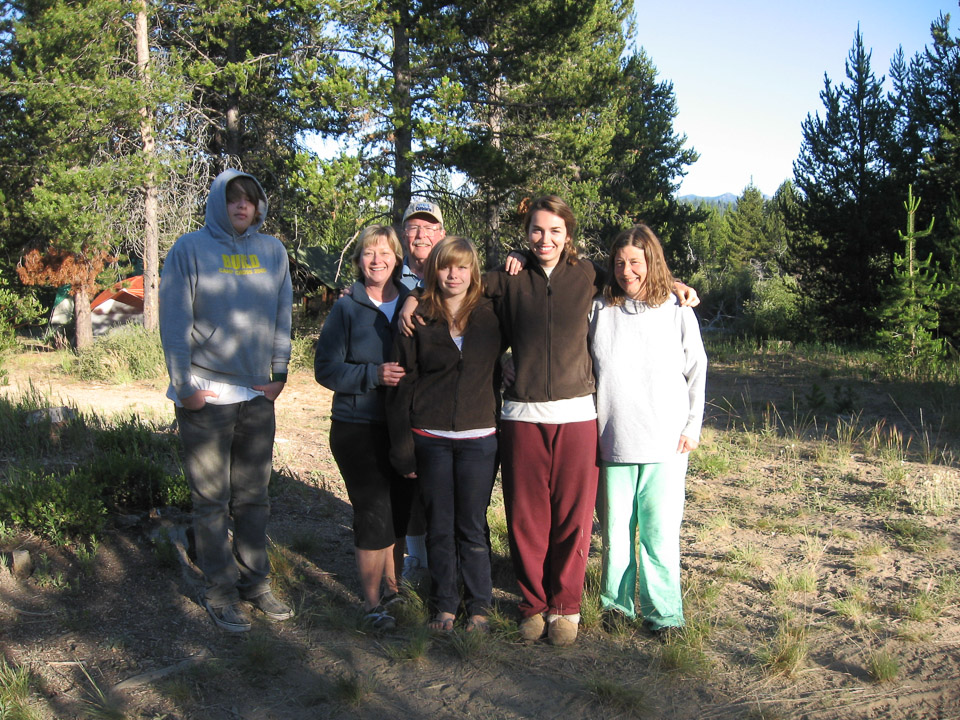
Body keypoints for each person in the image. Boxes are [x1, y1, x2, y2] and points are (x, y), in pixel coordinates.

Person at [159, 169, 294, 633]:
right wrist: (185, 386)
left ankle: (255, 582)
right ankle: (220, 590)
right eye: (233, 199)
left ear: (259, 207)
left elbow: (282, 314)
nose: (242, 206)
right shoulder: (189, 249)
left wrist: (279, 373)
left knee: (254, 497)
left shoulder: (272, 251)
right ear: (219, 202)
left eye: (250, 200)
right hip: (207, 393)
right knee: (211, 500)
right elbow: (173, 323)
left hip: (257, 393)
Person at [588, 224, 707, 640]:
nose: (627, 271)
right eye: (619, 263)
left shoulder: (677, 309)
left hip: (666, 443)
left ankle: (664, 613)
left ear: (651, 261)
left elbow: (697, 369)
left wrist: (693, 426)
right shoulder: (600, 309)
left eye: (635, 262)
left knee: (658, 534)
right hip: (613, 439)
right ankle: (616, 607)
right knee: (617, 533)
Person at [386, 236, 503, 633]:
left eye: (462, 267)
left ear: (473, 272)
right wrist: (402, 448)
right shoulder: (416, 317)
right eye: (445, 266)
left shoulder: (492, 313)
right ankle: (445, 606)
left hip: (479, 437)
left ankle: (481, 606)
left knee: (472, 524)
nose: (454, 274)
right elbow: (402, 384)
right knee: (438, 523)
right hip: (430, 436)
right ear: (433, 270)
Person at [314, 225, 415, 631]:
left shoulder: (412, 301)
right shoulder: (347, 307)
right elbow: (326, 369)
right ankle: (372, 604)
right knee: (373, 513)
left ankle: (394, 589)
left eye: (385, 253)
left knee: (402, 514)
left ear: (396, 259)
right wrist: (373, 374)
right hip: (358, 426)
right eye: (369, 253)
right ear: (358, 261)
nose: (377, 260)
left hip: (404, 428)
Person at [396, 199, 447, 578]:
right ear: (403, 234)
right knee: (407, 481)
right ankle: (414, 557)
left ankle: (446, 557)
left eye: (429, 227)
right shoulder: (384, 275)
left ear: (441, 235)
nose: (421, 234)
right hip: (398, 394)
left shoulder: (456, 274)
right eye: (414, 227)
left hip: (444, 397)